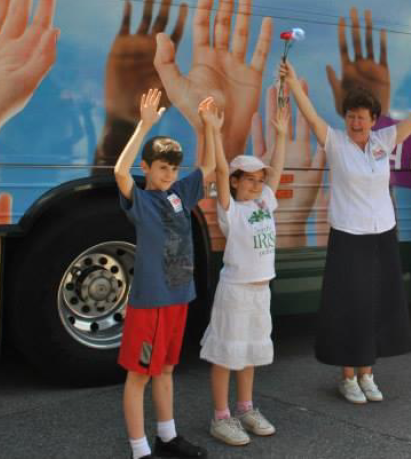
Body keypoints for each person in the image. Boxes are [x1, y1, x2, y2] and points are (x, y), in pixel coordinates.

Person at [279, 54, 411, 404]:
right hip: (348, 238)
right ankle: (348, 377)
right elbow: (311, 115)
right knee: (349, 307)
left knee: (376, 305)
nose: (356, 122)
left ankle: (368, 373)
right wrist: (293, 82)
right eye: (351, 116)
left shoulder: (383, 141)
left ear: (374, 120)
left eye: (362, 117)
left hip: (382, 238)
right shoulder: (335, 143)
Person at [114, 88, 214, 459]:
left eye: (173, 168)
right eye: (162, 167)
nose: (169, 173)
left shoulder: (179, 196)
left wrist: (211, 129)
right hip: (150, 303)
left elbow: (212, 169)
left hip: (178, 298)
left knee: (167, 369)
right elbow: (119, 171)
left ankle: (167, 438)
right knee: (139, 375)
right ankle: (140, 451)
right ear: (148, 169)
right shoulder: (141, 200)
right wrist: (144, 125)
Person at [200, 101, 288, 447]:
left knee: (249, 352)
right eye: (249, 179)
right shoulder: (231, 210)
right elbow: (221, 171)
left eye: (259, 179)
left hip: (260, 292)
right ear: (236, 182)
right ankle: (221, 418)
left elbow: (277, 171)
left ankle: (246, 408)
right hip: (235, 292)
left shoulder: (265, 201)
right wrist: (214, 131)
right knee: (226, 354)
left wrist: (280, 136)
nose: (257, 184)